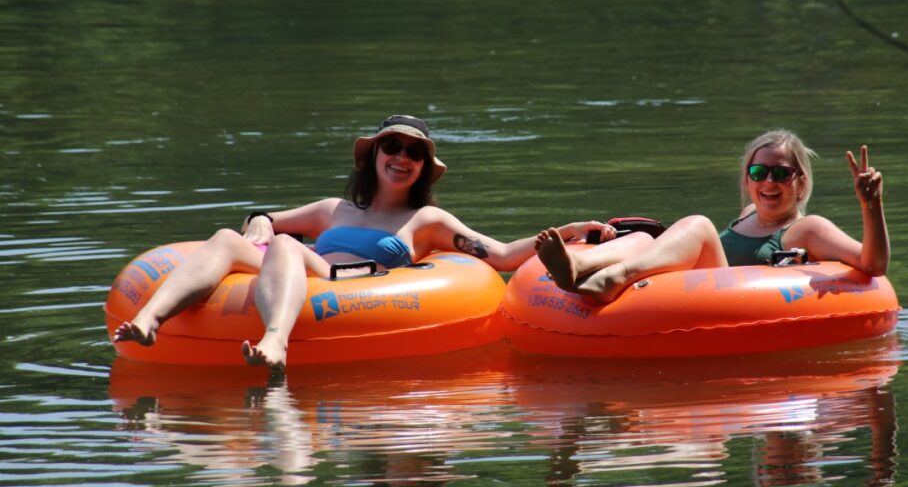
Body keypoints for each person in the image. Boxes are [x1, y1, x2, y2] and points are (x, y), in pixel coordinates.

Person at [113, 114, 614, 369]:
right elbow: (264, 217)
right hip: (308, 268)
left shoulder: (426, 219)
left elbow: (501, 256)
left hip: (353, 282)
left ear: (422, 166)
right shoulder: (334, 210)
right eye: (391, 147)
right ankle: (149, 320)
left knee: (288, 247)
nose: (401, 157)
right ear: (373, 155)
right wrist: (260, 222)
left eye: (413, 152)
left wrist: (567, 234)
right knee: (228, 237)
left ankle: (276, 341)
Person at [536, 129, 889, 303]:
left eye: (781, 174)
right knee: (643, 237)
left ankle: (611, 279)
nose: (769, 182)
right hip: (686, 290)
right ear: (747, 180)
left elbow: (872, 265)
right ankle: (577, 267)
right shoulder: (747, 213)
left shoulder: (807, 228)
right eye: (758, 173)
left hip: (729, 302)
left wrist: (870, 206)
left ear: (801, 183)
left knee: (701, 226)